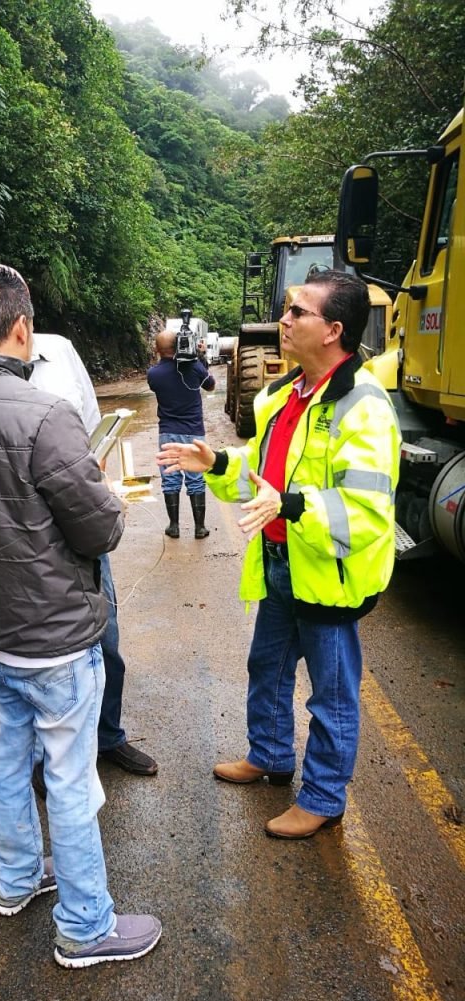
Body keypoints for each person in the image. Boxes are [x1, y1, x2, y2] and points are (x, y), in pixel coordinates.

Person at [0, 265, 161, 967]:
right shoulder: (45, 416)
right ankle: (85, 928)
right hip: (55, 638)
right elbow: (101, 531)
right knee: (73, 782)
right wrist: (104, 496)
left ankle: (18, 880)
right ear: (22, 329)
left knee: (7, 760)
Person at [157, 271, 400, 839]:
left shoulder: (364, 409)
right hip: (280, 564)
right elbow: (263, 477)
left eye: (298, 313)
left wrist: (291, 506)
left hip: (329, 576)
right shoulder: (283, 397)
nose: (284, 321)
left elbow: (363, 513)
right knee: (266, 668)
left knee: (331, 697)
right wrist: (216, 464)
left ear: (333, 330)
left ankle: (322, 798)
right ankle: (269, 754)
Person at [0, 335, 158, 779]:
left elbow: (94, 441)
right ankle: (45, 760)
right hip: (4, 546)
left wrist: (97, 496)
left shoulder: (62, 353)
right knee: (27, 661)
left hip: (74, 526)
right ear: (17, 325)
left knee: (105, 642)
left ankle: (107, 736)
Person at [147, 329, 215, 539]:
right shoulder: (194, 367)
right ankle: (199, 528)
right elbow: (210, 386)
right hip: (194, 432)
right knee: (196, 479)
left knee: (170, 478)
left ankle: (174, 526)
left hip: (167, 433)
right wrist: (201, 358)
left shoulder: (153, 374)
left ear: (156, 349)